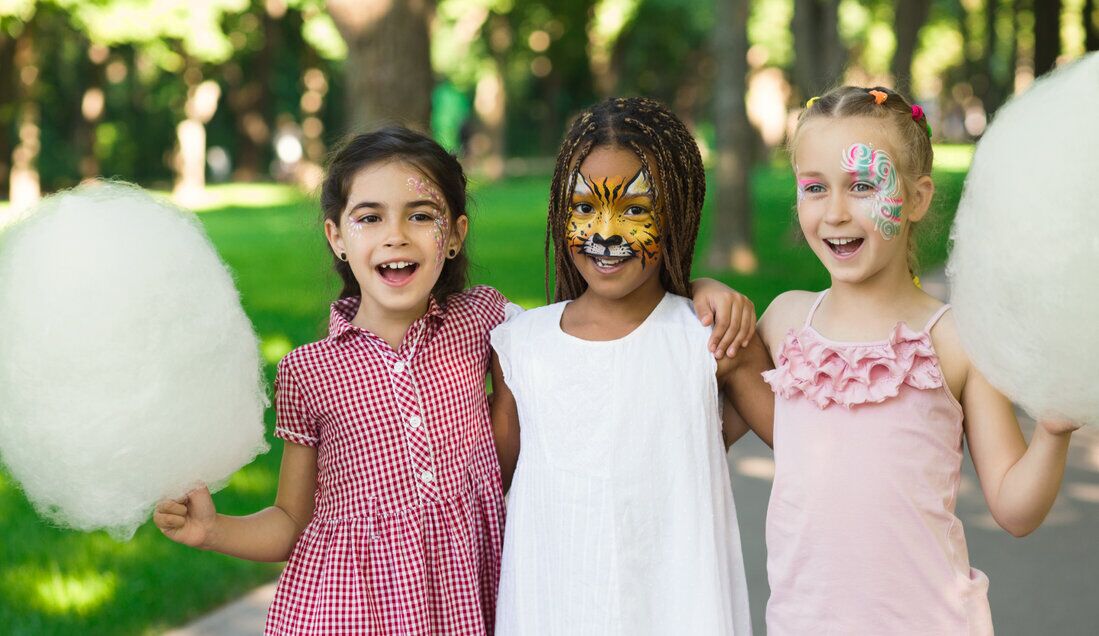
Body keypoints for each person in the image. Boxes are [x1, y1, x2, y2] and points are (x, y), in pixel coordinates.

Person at [153, 125, 757, 634]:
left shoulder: (487, 325)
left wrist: (694, 291)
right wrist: (213, 531)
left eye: (421, 215)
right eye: (370, 217)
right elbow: (291, 521)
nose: (396, 235)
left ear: (456, 234)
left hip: (465, 600)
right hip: (349, 609)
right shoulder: (310, 370)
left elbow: (594, 361)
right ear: (336, 237)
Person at [758, 86, 1081, 634]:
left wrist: (1052, 431)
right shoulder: (786, 322)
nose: (835, 211)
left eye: (862, 185)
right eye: (815, 188)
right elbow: (713, 418)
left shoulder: (954, 339)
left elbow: (1014, 507)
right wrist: (707, 293)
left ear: (916, 197)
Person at [490, 97, 774, 635]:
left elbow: (812, 452)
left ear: (677, 213)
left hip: (676, 613)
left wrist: (771, 314)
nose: (605, 232)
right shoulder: (521, 348)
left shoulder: (707, 341)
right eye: (583, 208)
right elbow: (479, 490)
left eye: (636, 209)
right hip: (552, 612)